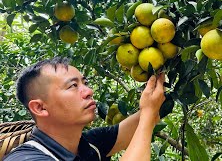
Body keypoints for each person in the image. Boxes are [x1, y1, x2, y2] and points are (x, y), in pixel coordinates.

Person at [4, 57, 166, 161]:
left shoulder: (87, 146)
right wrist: (148, 113)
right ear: (40, 107)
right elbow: (147, 116)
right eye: (73, 86)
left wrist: (161, 71)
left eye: (85, 83)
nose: (89, 92)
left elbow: (147, 117)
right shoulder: (25, 158)